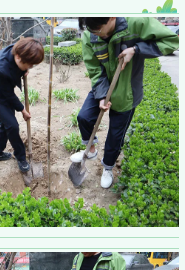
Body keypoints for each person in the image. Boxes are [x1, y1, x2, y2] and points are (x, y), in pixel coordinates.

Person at [74, 17, 178, 189]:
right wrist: (101, 95)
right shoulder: (90, 34)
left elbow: (171, 41)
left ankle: (108, 167)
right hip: (104, 85)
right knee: (84, 117)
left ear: (112, 17)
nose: (96, 34)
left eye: (99, 29)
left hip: (127, 90)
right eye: (91, 31)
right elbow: (94, 68)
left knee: (115, 135)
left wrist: (136, 49)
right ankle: (90, 151)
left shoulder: (136, 24)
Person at [0, 37, 44, 174]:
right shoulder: (0, 68)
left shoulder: (18, 49)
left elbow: (17, 70)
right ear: (18, 57)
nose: (30, 67)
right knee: (12, 125)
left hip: (3, 91)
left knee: (6, 124)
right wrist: (22, 109)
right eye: (29, 64)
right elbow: (8, 95)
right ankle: (21, 157)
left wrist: (23, 70)